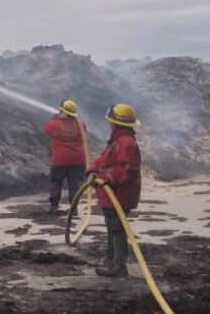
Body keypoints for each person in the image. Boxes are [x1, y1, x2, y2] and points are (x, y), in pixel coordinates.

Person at [88, 103, 142, 277]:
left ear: (115, 123)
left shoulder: (126, 143)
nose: (109, 124)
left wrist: (107, 179)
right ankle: (110, 261)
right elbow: (103, 159)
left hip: (117, 196)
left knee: (117, 230)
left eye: (110, 121)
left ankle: (118, 266)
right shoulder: (118, 141)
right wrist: (92, 170)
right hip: (111, 196)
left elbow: (127, 169)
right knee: (113, 229)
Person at [43, 99, 87, 215]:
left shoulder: (54, 123)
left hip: (60, 160)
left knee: (56, 182)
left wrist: (55, 116)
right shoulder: (80, 125)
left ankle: (54, 207)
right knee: (74, 183)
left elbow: (47, 128)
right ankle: (74, 208)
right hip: (78, 159)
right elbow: (83, 131)